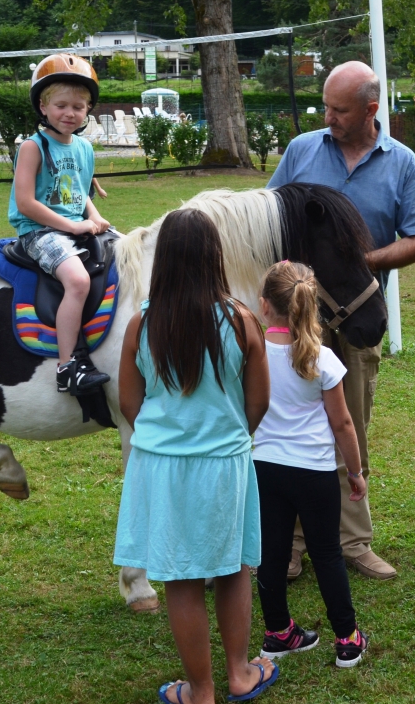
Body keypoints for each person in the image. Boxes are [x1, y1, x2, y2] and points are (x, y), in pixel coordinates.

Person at [268, 60, 415, 582]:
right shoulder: (302, 150)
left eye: (339, 110)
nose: (329, 117)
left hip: (359, 319)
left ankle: (353, 542)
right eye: (326, 107)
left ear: (371, 109)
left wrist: (360, 266)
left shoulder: (402, 163)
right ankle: (293, 546)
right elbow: (267, 213)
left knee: (350, 427)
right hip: (295, 321)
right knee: (292, 429)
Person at [114, 209, 276, 704]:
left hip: (160, 466)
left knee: (180, 579)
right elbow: (259, 401)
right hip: (223, 463)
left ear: (162, 261)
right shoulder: (242, 320)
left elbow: (128, 401)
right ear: (215, 257)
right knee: (232, 570)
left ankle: (199, 691)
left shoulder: (141, 322)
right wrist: (229, 434)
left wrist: (166, 438)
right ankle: (240, 674)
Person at [253, 261, 370, 669]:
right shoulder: (323, 358)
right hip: (315, 472)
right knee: (326, 554)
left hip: (263, 467)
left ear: (264, 306)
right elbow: (343, 423)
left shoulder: (250, 352)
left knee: (271, 552)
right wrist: (355, 473)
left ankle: (278, 633)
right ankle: (348, 640)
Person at [7, 53, 112, 395]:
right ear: (43, 106)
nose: (70, 113)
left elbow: (78, 191)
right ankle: (68, 365)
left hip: (73, 226)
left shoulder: (84, 148)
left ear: (88, 111)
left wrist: (93, 217)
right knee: (78, 281)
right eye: (61, 105)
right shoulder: (32, 148)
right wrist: (73, 227)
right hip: (38, 232)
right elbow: (26, 203)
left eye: (79, 107)